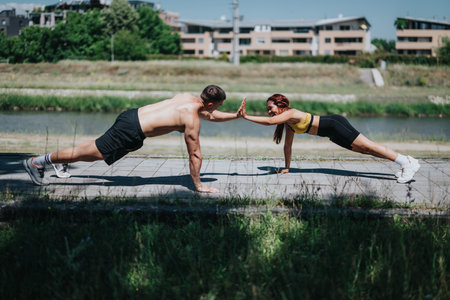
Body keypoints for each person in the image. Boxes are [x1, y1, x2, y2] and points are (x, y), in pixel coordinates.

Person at [23, 85, 239, 193]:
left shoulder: (187, 100)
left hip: (130, 116)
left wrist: (236, 116)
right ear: (211, 103)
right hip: (131, 131)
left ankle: (62, 160)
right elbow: (195, 154)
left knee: (93, 147)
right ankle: (37, 163)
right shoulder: (192, 119)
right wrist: (198, 185)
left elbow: (210, 115)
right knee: (95, 153)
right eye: (220, 106)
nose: (219, 110)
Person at [238, 94, 420, 183]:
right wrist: (287, 167)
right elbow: (288, 146)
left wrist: (245, 117)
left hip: (334, 124)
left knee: (369, 146)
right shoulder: (289, 123)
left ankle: (406, 162)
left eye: (271, 107)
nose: (269, 111)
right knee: (366, 150)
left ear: (281, 104)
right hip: (331, 134)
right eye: (268, 109)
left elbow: (270, 122)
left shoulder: (291, 113)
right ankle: (405, 162)